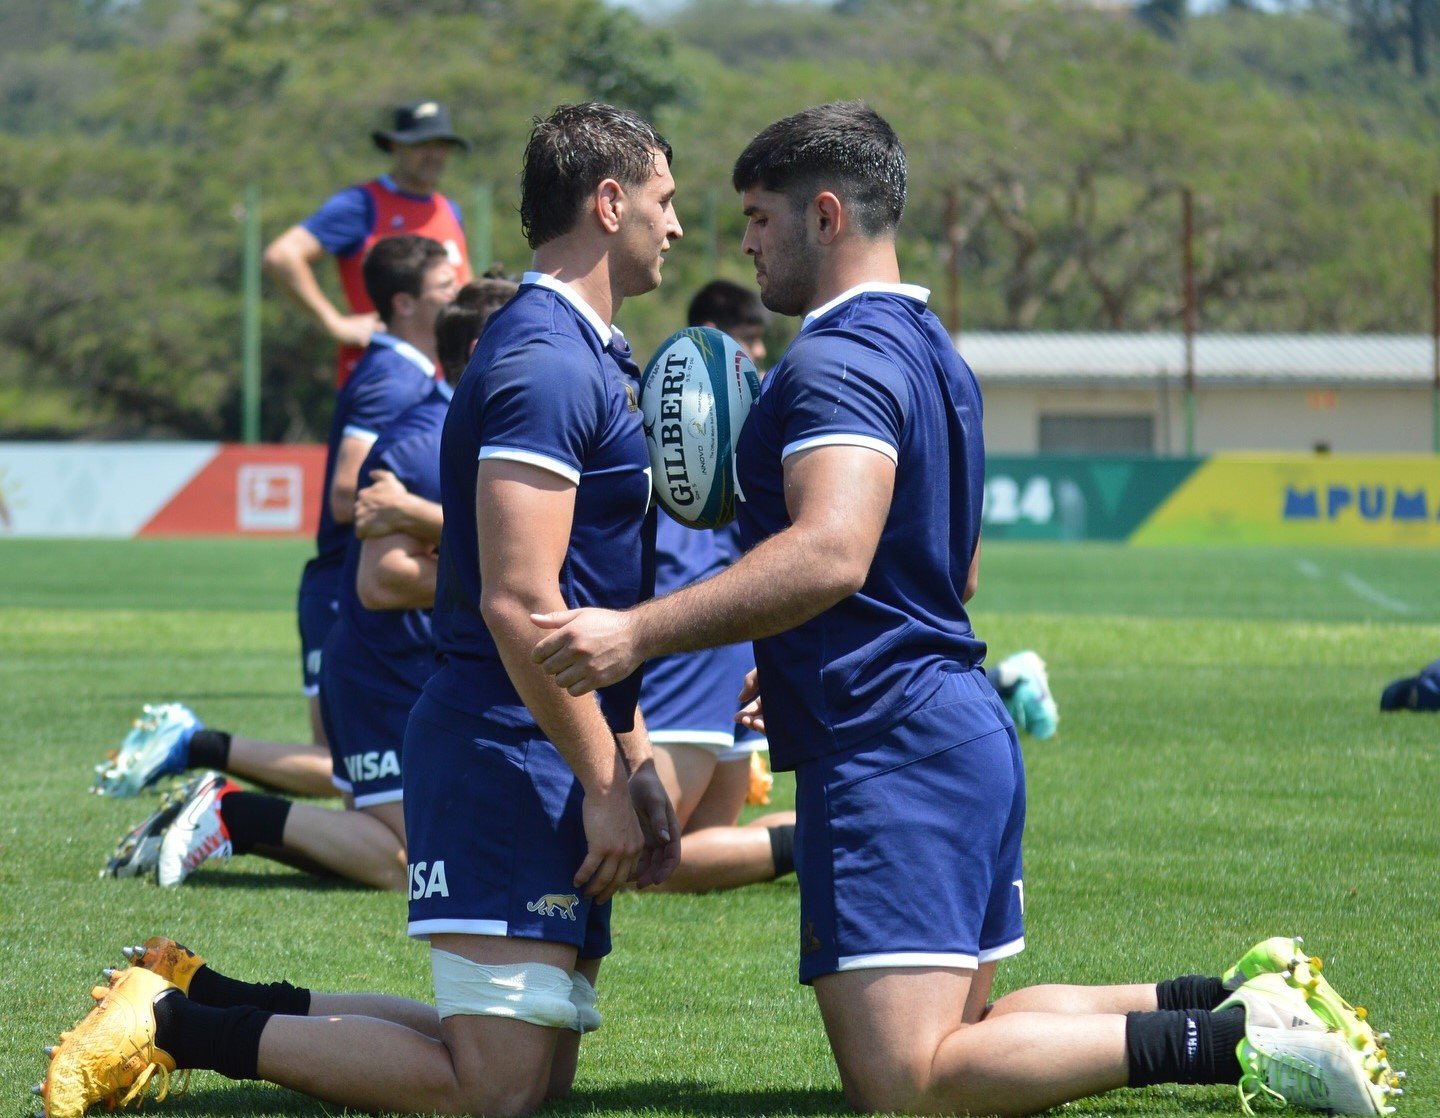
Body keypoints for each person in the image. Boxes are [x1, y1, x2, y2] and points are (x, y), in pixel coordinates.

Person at [525, 103, 1398, 1116]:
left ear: (824, 215)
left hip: (890, 747)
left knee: (908, 1081)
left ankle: (1243, 1040)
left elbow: (834, 549)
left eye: (760, 218)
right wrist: (797, 649)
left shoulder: (835, 360)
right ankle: (1238, 994)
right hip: (950, 726)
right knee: (966, 1038)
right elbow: (955, 568)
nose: (746, 243)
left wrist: (640, 628)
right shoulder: (934, 348)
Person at [39, 102, 681, 1118]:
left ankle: (200, 995)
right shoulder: (547, 361)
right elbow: (520, 600)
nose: (675, 225)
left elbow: (602, 587)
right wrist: (607, 777)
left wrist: (633, 760)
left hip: (547, 736)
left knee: (530, 1068)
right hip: (506, 741)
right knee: (494, 1086)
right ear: (609, 203)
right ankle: (165, 1027)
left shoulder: (588, 353)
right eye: (663, 199)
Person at [99, 280, 517, 892]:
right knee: (404, 865)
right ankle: (230, 814)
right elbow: (385, 579)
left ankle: (223, 801)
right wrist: (504, 583)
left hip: (406, 667)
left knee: (443, 850)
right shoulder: (430, 442)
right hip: (385, 671)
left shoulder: (460, 426)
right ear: (483, 349)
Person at [639, 279, 796, 893]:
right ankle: (828, 832)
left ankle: (827, 833)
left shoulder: (764, 404)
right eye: (747, 340)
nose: (755, 355)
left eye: (759, 340)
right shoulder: (690, 405)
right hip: (715, 633)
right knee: (694, 843)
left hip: (701, 639)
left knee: (641, 859)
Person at [263, 99, 474, 387]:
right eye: (421, 144)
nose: (434, 155)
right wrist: (334, 323)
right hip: (380, 380)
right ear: (395, 147)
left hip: (442, 383)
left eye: (441, 145)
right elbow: (282, 255)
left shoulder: (449, 210)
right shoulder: (360, 204)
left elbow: (464, 285)